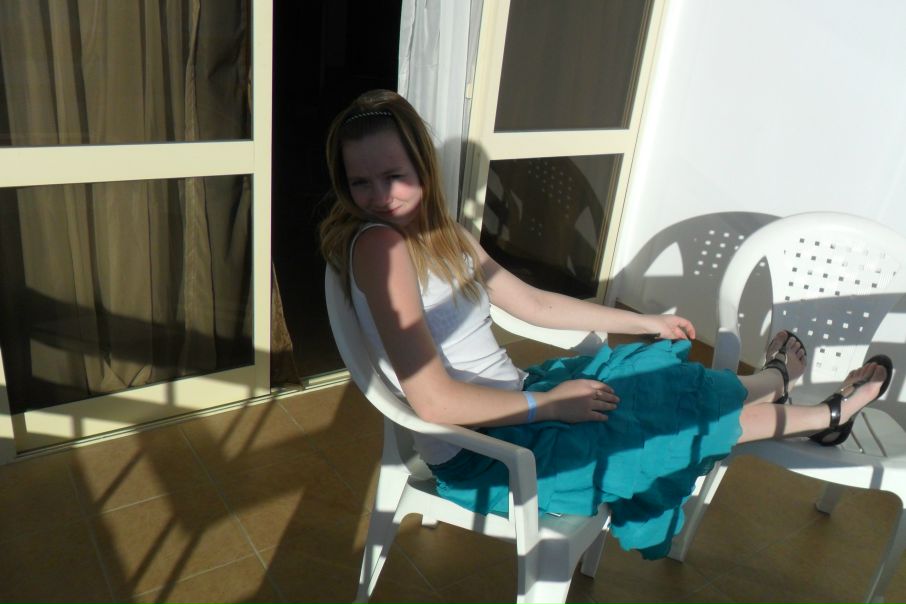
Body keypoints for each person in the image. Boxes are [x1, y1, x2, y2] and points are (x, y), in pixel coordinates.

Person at [319, 89, 892, 559]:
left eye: (392, 175)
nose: (378, 197)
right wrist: (551, 405)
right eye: (360, 183)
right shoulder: (381, 249)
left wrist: (643, 323)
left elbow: (534, 305)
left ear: (423, 166)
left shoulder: (444, 235)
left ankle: (776, 383)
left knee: (665, 383)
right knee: (669, 420)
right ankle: (824, 414)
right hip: (486, 450)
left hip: (519, 403)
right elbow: (434, 402)